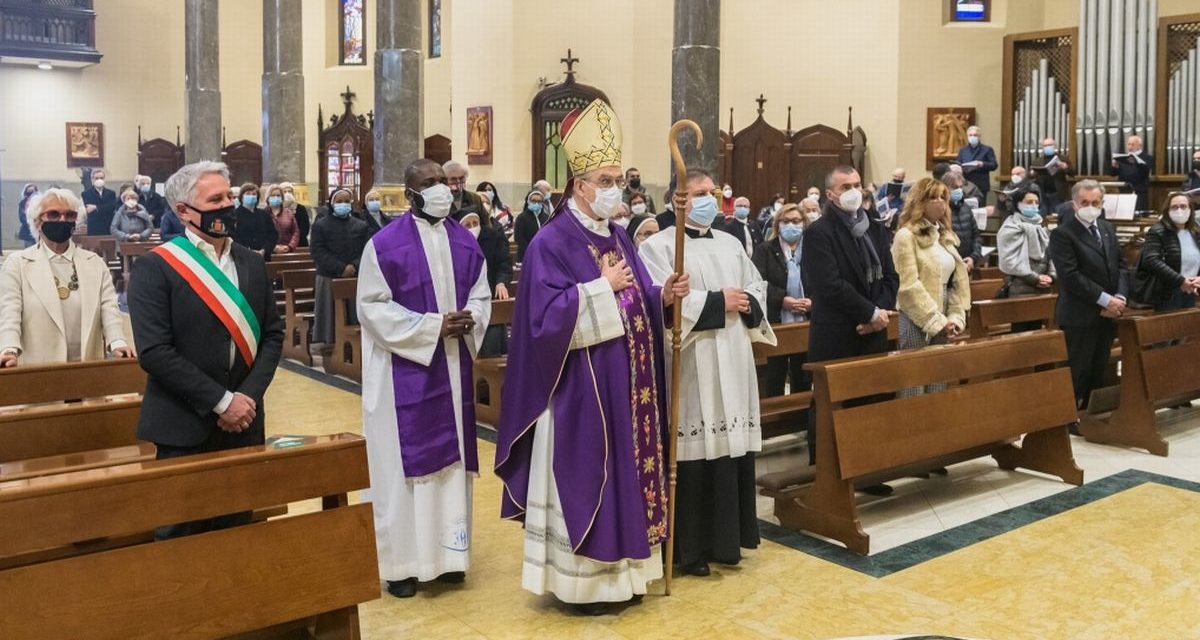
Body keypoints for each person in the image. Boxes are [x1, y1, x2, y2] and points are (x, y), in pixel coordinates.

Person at [494, 99, 689, 615]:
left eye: (618, 181)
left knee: (631, 472)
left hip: (630, 391)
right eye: (605, 180)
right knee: (591, 477)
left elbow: (639, 297)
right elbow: (543, 323)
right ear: (580, 185)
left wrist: (662, 295)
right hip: (581, 391)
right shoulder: (549, 242)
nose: (615, 190)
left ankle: (628, 576)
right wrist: (600, 288)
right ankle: (583, 585)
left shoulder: (620, 235)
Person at [357, 158, 491, 599]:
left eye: (443, 183)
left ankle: (451, 558)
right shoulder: (383, 244)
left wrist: (471, 319)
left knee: (451, 469)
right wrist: (432, 327)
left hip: (452, 369)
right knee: (403, 471)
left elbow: (481, 294)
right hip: (404, 373)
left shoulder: (466, 242)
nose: (441, 190)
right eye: (429, 184)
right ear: (410, 195)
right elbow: (372, 307)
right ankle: (403, 566)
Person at [128, 161, 284, 537]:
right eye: (216, 199)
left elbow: (273, 335)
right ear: (183, 210)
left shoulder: (250, 261)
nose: (228, 205)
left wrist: (245, 398)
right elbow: (154, 352)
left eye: (229, 196)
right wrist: (221, 401)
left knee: (236, 532)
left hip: (243, 423)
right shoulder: (156, 267)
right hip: (183, 423)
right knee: (181, 535)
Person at [639, 167, 774, 578]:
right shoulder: (659, 247)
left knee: (730, 447)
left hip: (733, 357)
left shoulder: (732, 242)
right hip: (693, 362)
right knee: (695, 452)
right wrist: (718, 302)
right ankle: (690, 550)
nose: (707, 200)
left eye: (710, 192)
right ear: (675, 200)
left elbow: (757, 285)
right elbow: (658, 303)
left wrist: (747, 300)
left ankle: (728, 542)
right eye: (698, 193)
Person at [801, 166, 899, 474]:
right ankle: (826, 473)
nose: (854, 191)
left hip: (873, 332)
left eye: (857, 185)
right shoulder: (819, 233)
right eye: (846, 187)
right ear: (830, 194)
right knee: (831, 405)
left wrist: (879, 315)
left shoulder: (875, 228)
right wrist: (869, 313)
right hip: (837, 332)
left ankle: (868, 470)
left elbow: (890, 277)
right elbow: (829, 285)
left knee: (871, 400)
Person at [1, 188, 133, 367]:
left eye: (69, 215)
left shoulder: (94, 263)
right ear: (38, 221)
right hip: (39, 368)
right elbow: (10, 310)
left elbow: (108, 308)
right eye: (53, 215)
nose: (62, 220)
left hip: (87, 366)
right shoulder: (17, 264)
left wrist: (117, 342)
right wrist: (8, 348)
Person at [1048, 179, 1128, 411]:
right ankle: (1069, 414)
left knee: (1098, 367)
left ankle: (1091, 413)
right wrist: (1105, 299)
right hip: (1079, 314)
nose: (1090, 207)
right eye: (1085, 202)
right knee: (1077, 370)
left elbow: (1121, 265)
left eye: (1095, 202)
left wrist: (1120, 298)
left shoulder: (1106, 228)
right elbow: (1070, 276)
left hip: (1108, 313)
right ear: (1074, 204)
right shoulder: (1063, 234)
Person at [891, 178, 970, 370]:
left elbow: (955, 282)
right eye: (934, 197)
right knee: (916, 379)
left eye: (943, 197)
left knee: (938, 377)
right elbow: (908, 285)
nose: (940, 202)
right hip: (915, 314)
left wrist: (954, 317)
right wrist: (935, 320)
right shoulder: (906, 235)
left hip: (944, 312)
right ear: (920, 201)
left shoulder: (945, 236)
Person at [752, 203, 812, 397]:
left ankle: (799, 418)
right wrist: (783, 300)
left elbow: (825, 280)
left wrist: (812, 301)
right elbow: (758, 282)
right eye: (785, 221)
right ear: (778, 224)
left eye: (795, 221)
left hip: (807, 321)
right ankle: (776, 421)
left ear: (803, 223)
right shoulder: (765, 249)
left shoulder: (814, 249)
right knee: (774, 375)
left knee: (803, 374)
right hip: (776, 320)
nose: (791, 225)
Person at [310, 188, 372, 346]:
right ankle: (330, 342)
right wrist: (340, 268)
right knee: (330, 313)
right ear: (331, 204)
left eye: (346, 201)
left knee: (352, 311)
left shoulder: (361, 225)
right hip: (328, 275)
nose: (343, 204)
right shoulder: (320, 225)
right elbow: (318, 252)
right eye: (339, 201)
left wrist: (354, 266)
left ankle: (352, 343)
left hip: (353, 276)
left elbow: (367, 249)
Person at [997, 189, 1056, 330]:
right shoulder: (1010, 228)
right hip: (1020, 288)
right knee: (1021, 333)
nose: (1034, 205)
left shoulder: (1040, 226)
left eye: (1036, 202)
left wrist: (1051, 276)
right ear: (1018, 204)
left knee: (1040, 335)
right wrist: (1035, 278)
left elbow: (1050, 254)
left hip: (1043, 289)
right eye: (1029, 202)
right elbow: (1010, 262)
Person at [1132, 192, 1200, 312]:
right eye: (1174, 207)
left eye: (1183, 206)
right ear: (1167, 211)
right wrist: (1181, 281)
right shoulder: (1158, 231)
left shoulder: (1194, 232)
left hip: (1191, 291)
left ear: (1190, 210)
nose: (1179, 210)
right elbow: (1151, 261)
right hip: (1167, 293)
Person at [456, 209, 512, 356]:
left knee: (491, 350)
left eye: (475, 223)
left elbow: (504, 265)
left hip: (491, 301)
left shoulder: (492, 238)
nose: (473, 227)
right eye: (467, 224)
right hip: (465, 305)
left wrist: (501, 282)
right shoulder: (453, 244)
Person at [941, 172, 984, 273]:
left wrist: (973, 258)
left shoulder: (966, 208)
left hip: (967, 263)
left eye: (961, 187)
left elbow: (976, 236)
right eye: (955, 187)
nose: (959, 190)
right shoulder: (941, 211)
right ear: (945, 188)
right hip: (949, 266)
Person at [1107, 134, 1154, 211]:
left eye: (1133, 144)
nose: (1130, 147)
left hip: (1139, 192)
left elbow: (1145, 171)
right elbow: (1112, 174)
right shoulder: (1123, 157)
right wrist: (1114, 166)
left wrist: (1136, 162)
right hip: (1123, 191)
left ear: (1139, 146)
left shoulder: (1147, 157)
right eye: (1128, 144)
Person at [231, 183, 278, 258]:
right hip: (242, 256)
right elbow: (233, 236)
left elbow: (273, 235)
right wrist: (247, 250)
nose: (251, 196)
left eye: (254, 194)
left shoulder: (264, 214)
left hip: (263, 256)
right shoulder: (234, 215)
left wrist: (264, 250)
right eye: (248, 194)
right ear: (242, 197)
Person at [955, 126, 997, 201]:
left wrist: (982, 164)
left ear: (979, 136)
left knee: (980, 208)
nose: (973, 137)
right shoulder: (963, 150)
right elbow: (958, 163)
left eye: (975, 135)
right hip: (966, 183)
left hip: (981, 184)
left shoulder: (987, 149)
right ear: (967, 136)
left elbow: (994, 165)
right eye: (970, 135)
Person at [513, 189, 550, 263]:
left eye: (539, 201)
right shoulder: (521, 217)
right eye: (533, 201)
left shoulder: (546, 217)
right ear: (528, 201)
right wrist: (531, 250)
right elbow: (518, 238)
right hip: (525, 255)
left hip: (542, 255)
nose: (536, 203)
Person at [81, 169, 118, 236]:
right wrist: (104, 207)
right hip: (94, 227)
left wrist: (96, 207)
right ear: (92, 179)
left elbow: (111, 208)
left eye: (101, 178)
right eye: (96, 178)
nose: (99, 180)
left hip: (108, 227)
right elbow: (89, 210)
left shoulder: (111, 193)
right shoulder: (86, 194)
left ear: (104, 179)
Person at [266, 184, 300, 254]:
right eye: (273, 195)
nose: (276, 197)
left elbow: (295, 232)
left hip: (287, 251)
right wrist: (273, 247)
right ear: (268, 198)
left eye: (278, 195)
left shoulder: (288, 213)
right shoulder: (262, 214)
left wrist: (290, 246)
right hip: (268, 253)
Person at [278, 182, 311, 247]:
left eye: (289, 191)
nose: (287, 194)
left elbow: (305, 228)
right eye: (284, 192)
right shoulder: (277, 208)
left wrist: (293, 242)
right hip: (281, 245)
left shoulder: (300, 208)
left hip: (299, 244)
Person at [17, 183, 38, 248]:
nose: (31, 193)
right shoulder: (22, 203)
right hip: (27, 231)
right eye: (29, 191)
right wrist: (30, 223)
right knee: (29, 250)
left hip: (38, 230)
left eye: (32, 190)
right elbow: (22, 217)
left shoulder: (39, 202)